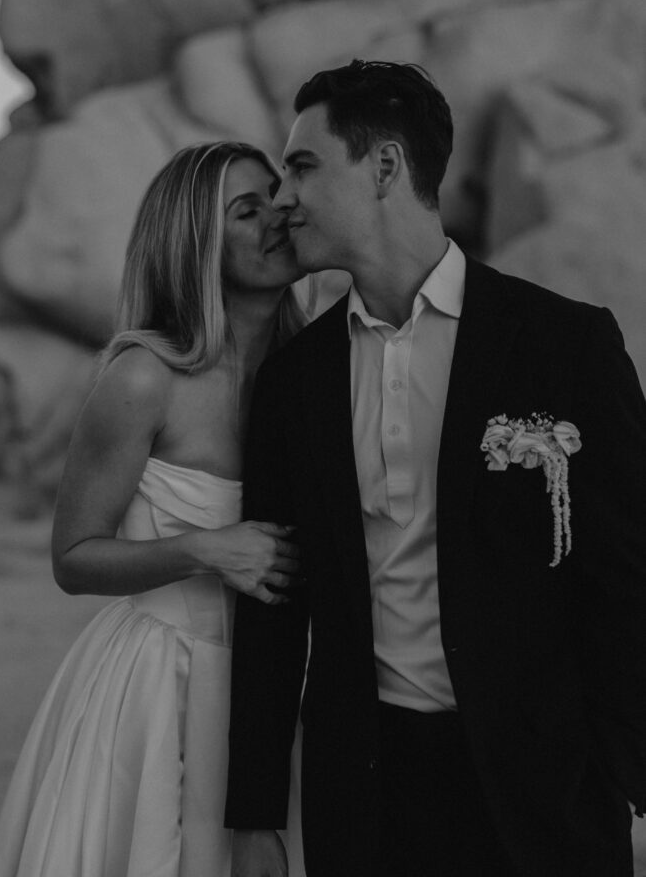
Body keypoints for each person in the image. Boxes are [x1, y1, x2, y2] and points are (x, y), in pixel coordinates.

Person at [225, 60, 646, 877]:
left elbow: (628, 572)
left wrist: (628, 769)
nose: (283, 198)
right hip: (366, 797)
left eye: (304, 166)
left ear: (384, 166)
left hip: (545, 793)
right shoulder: (293, 381)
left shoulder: (565, 344)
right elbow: (275, 605)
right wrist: (254, 813)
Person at [0, 141, 307, 877]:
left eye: (276, 200)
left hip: (280, 688)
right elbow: (72, 557)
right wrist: (203, 549)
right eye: (245, 211)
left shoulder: (315, 368)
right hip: (159, 688)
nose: (277, 220)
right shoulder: (144, 378)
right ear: (194, 241)